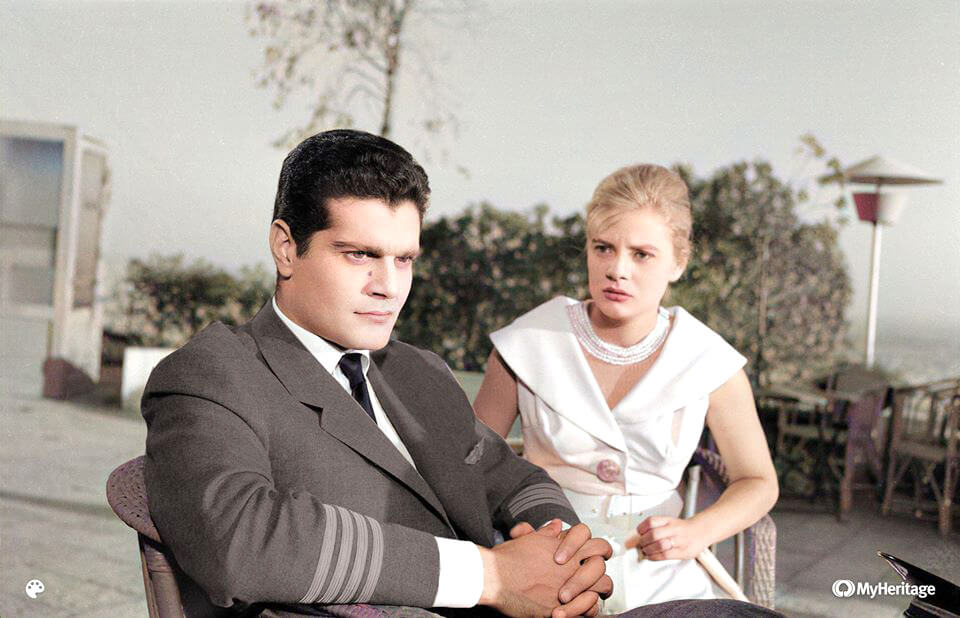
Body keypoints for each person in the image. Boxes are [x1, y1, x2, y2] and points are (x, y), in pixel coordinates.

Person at [143, 132, 779, 618]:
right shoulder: (213, 374)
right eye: (359, 255)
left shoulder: (415, 371)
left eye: (404, 259)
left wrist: (562, 549)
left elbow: (506, 474)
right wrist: (493, 576)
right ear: (287, 247)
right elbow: (242, 540)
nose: (388, 286)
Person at [473, 163, 779, 613]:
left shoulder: (708, 361)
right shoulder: (526, 344)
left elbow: (759, 482)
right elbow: (470, 466)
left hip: (660, 572)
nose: (617, 270)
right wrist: (509, 538)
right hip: (548, 564)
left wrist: (698, 531)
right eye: (603, 248)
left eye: (642, 254)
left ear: (678, 262)